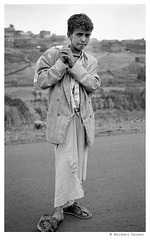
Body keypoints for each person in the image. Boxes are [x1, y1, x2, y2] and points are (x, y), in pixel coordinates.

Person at [34, 13, 101, 232]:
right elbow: (40, 81)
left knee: (79, 162)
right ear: (69, 35)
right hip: (63, 121)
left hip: (83, 120)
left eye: (87, 35)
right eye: (79, 34)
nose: (83, 39)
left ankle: (71, 203)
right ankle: (57, 212)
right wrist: (61, 64)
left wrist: (74, 65)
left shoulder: (90, 60)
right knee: (64, 164)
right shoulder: (53, 54)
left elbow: (93, 84)